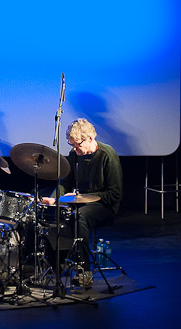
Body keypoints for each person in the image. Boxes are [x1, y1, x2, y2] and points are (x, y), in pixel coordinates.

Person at [40, 118, 122, 285]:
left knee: (79, 217)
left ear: (90, 138)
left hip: (105, 206)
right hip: (83, 202)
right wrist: (54, 199)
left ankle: (84, 270)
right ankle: (56, 265)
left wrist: (84, 196)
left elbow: (114, 194)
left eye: (77, 144)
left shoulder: (107, 155)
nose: (74, 148)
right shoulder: (74, 155)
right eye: (72, 145)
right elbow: (66, 182)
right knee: (55, 212)